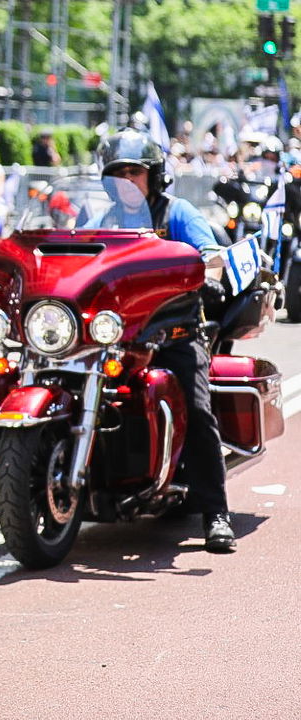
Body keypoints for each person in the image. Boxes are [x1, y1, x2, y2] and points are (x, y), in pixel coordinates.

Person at [93, 131, 235, 553]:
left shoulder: (178, 212)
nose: (126, 181)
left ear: (153, 176)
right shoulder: (107, 221)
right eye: (118, 174)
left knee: (196, 408)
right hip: (117, 335)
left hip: (174, 331)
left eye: (134, 172)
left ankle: (215, 512)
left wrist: (210, 277)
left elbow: (210, 255)